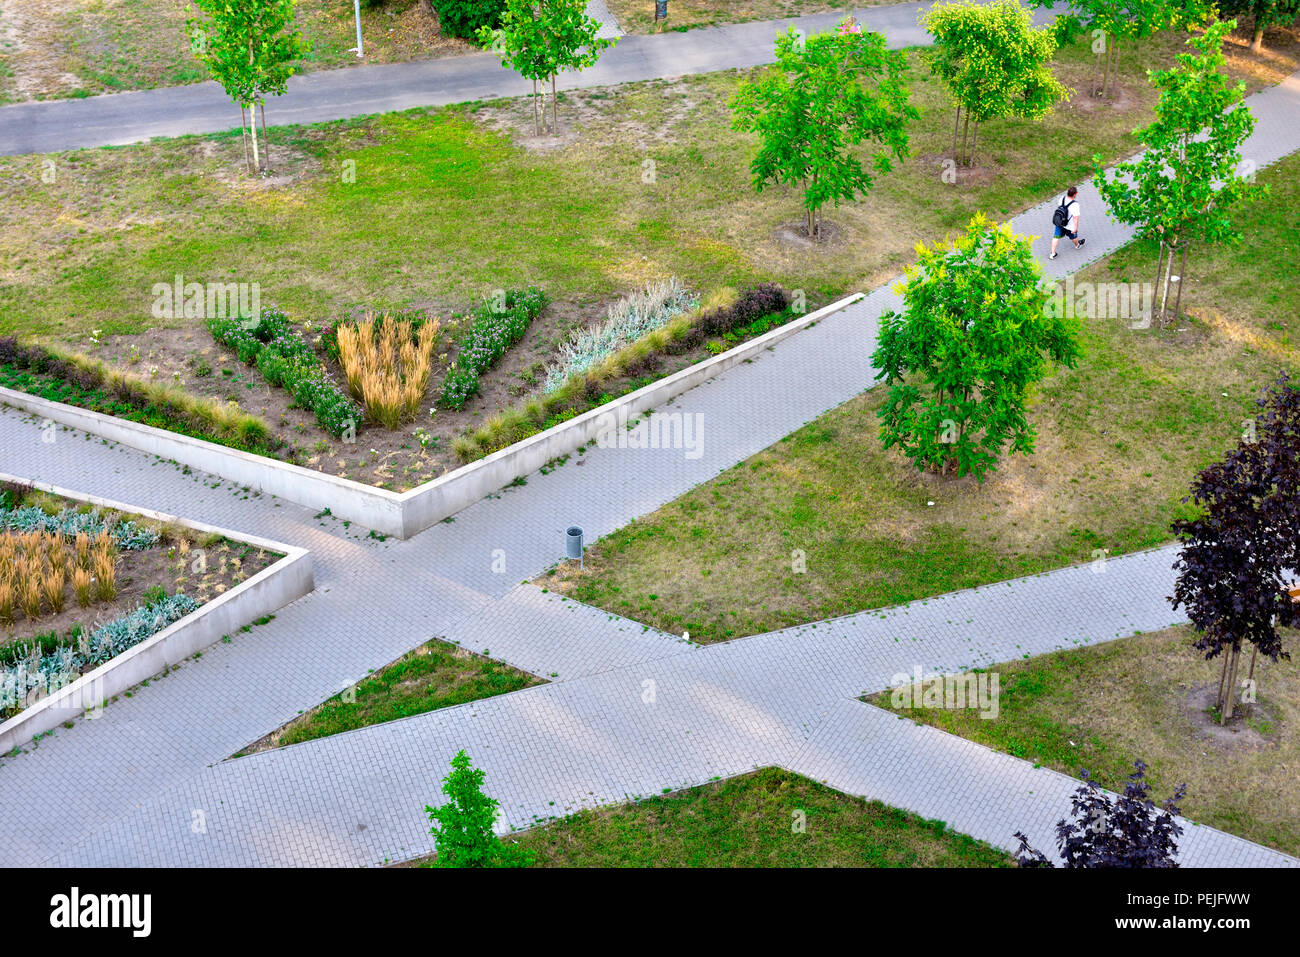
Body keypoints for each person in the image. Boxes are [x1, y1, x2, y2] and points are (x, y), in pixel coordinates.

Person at [1049, 186, 1085, 259]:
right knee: (1073, 236)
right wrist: (1075, 228)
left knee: (1055, 237)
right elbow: (1075, 218)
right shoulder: (1075, 204)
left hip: (1060, 222)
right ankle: (1077, 245)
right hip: (1069, 225)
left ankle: (1052, 254)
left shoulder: (1062, 198)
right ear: (1075, 194)